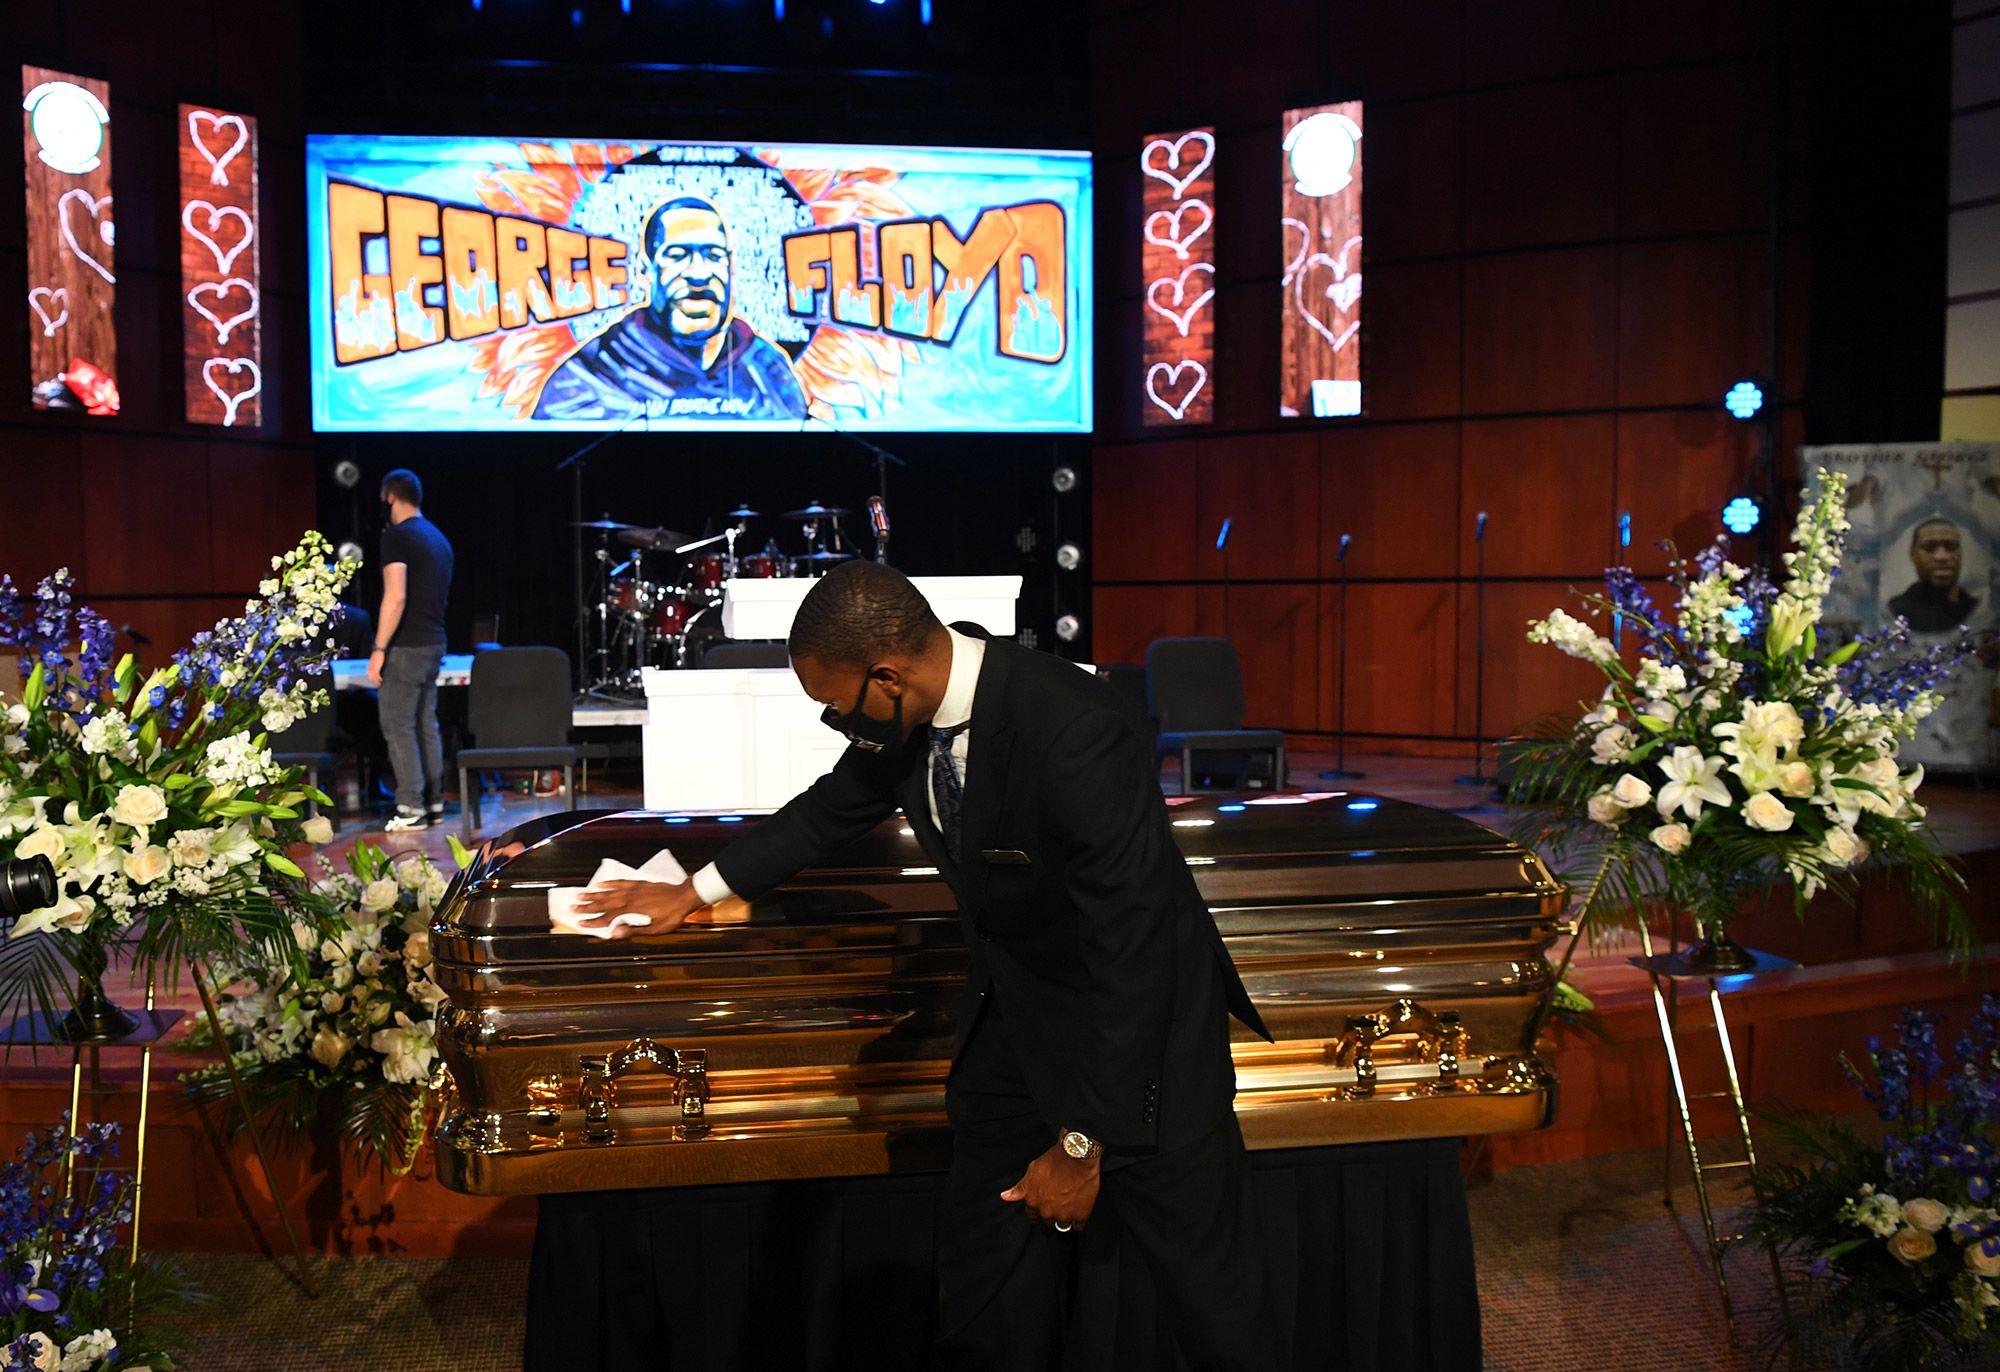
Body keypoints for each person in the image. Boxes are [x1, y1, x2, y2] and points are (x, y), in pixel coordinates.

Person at [572, 562, 1279, 1371]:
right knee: (982, 1281)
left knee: (1216, 1311)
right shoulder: (901, 725)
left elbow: (1135, 952)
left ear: (888, 675)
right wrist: (692, 891)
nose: (837, 722)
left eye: (835, 704)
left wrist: (1085, 1144)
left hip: (1144, 1054)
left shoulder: (1075, 726)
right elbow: (826, 811)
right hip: (1013, 1035)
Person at [531, 196, 809, 422]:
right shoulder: (591, 375)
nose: (698, 274)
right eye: (676, 256)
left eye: (713, 255)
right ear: (644, 270)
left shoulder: (767, 368)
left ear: (730, 266)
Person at [368, 469, 454, 831]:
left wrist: (378, 648)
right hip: (435, 642)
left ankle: (410, 807)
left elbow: (397, 596)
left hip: (407, 645)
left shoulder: (398, 537)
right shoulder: (438, 538)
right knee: (424, 723)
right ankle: (432, 801)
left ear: (390, 496)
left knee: (398, 725)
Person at [1887, 516, 1981, 633]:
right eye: (1929, 547)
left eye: (1951, 546)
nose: (1941, 557)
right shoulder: (1897, 611)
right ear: (1913, 554)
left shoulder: (1975, 610)